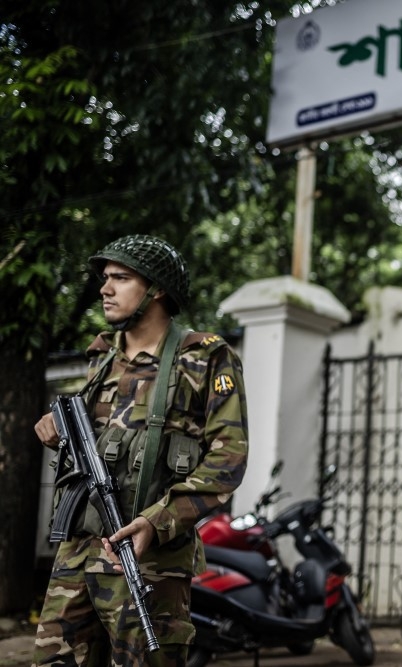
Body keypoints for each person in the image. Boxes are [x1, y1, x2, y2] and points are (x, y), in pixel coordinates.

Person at [32, 234, 250, 667]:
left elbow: (229, 459)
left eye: (121, 278)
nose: (104, 289)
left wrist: (158, 521)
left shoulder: (205, 358)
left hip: (150, 560)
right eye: (105, 278)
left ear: (157, 289)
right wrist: (58, 429)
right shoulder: (101, 359)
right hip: (77, 552)